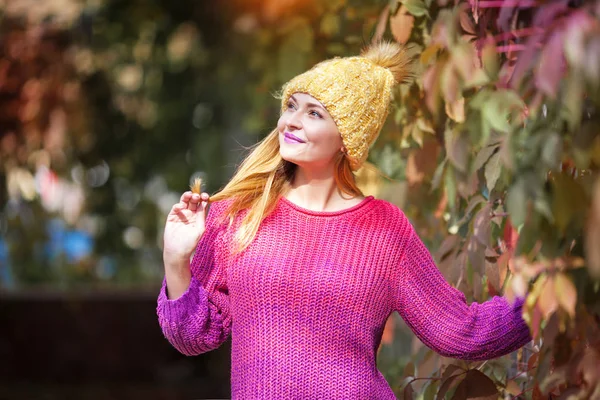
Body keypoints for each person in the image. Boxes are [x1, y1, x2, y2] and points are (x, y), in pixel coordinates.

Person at [156, 41, 532, 399]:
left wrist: (547, 292)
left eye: (314, 113)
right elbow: (193, 336)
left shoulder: (385, 230)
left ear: (346, 140)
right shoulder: (240, 214)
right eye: (291, 105)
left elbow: (460, 332)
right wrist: (176, 260)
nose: (291, 121)